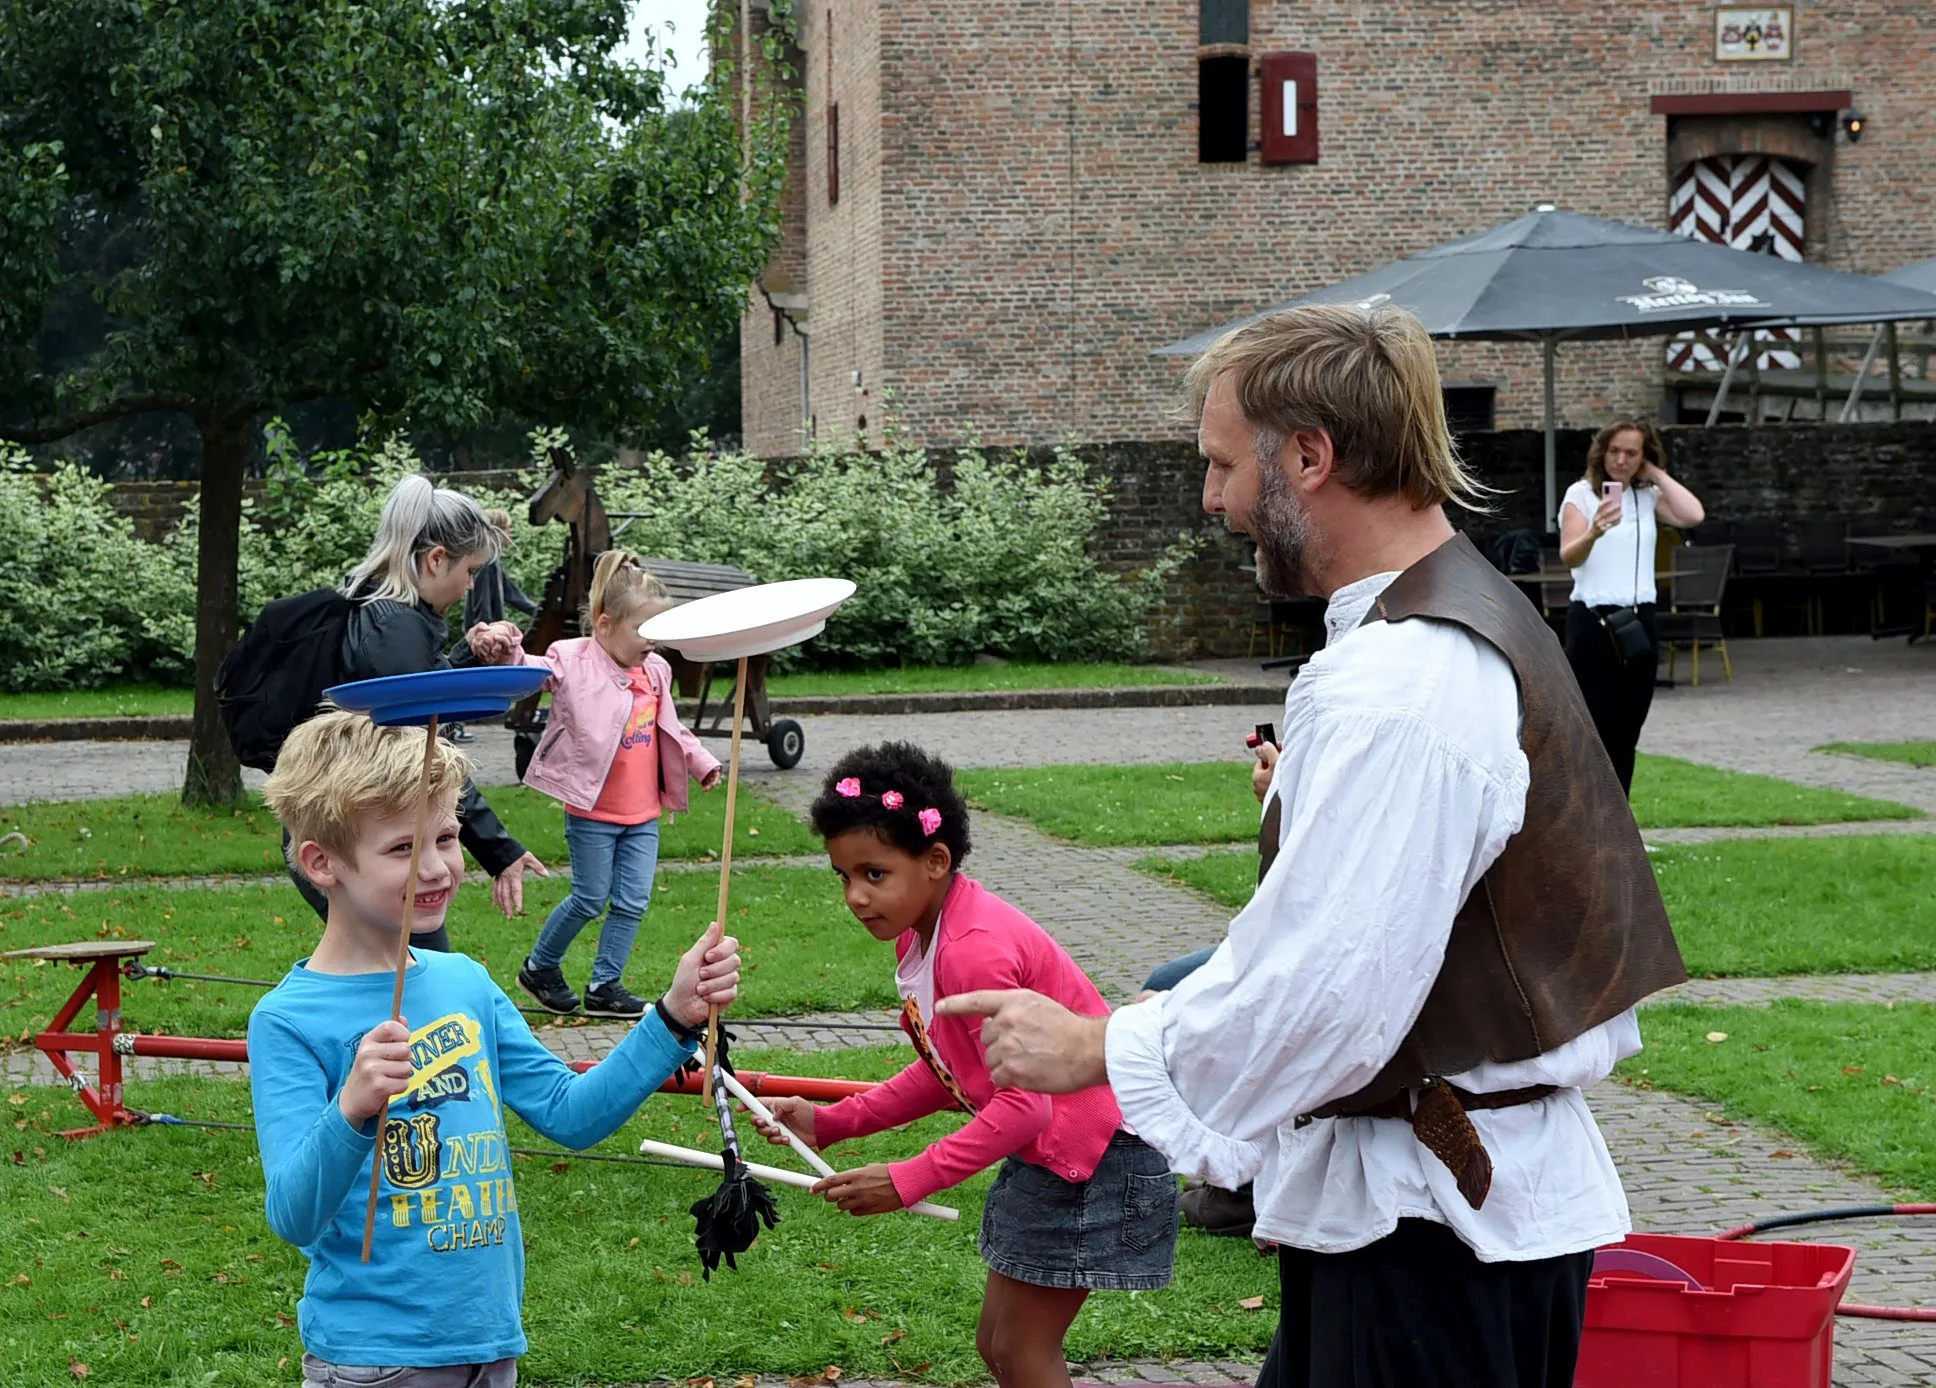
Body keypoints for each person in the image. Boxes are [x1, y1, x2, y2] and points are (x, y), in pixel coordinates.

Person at [938, 304, 1687, 1388]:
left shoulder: (1403, 679)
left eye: (1222, 464)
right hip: (1422, 1216)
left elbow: (1331, 986)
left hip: (1434, 1235)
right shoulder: (1432, 629)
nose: (1213, 499)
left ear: (1307, 456)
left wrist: (1097, 1048)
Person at [249, 709, 741, 1387]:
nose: (436, 867)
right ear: (321, 862)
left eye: (446, 837)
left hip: (489, 1345)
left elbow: (570, 1113)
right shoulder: (287, 1019)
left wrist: (673, 1015)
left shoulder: (465, 982)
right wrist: (351, 1110)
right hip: (374, 1359)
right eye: (402, 848)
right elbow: (294, 1215)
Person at [752, 742, 1176, 1388]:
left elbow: (1024, 1108)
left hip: (1101, 1152)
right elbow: (946, 1070)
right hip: (1059, 1151)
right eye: (843, 876)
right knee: (998, 1345)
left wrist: (908, 1178)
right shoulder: (920, 932)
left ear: (936, 860)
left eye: (874, 874)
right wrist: (832, 1122)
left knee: (1023, 1350)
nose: (855, 897)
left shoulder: (970, 949)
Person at [304, 474, 550, 946]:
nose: (470, 584)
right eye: (470, 570)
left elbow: (418, 699)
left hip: (363, 829)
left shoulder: (391, 612)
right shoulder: (396, 626)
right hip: (356, 836)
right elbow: (427, 756)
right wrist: (499, 850)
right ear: (436, 559)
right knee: (417, 960)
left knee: (397, 962)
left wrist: (467, 654)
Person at [492, 549, 723, 1020]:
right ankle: (540, 967)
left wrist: (701, 762)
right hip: (593, 811)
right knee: (590, 897)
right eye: (643, 630)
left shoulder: (656, 671)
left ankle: (605, 985)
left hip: (643, 814)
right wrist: (507, 649)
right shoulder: (573, 659)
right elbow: (529, 671)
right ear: (604, 624)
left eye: (657, 631)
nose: (651, 642)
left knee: (633, 901)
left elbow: (672, 729)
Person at [1557, 416, 1706, 794]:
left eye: (1631, 453)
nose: (1621, 460)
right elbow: (1570, 556)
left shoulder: (1647, 497)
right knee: (1595, 728)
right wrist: (1595, 532)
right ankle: (1590, 817)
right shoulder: (1580, 494)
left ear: (1643, 457)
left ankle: (1619, 817)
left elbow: (1693, 515)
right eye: (1614, 451)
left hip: (1639, 620)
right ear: (1602, 452)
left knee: (1628, 729)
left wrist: (1654, 474)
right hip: (1594, 620)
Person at [449, 509, 540, 744]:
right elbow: (482, 599)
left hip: (486, 628)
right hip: (485, 630)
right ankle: (454, 724)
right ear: (497, 531)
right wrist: (487, 630)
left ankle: (456, 724)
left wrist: (538, 612)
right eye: (508, 529)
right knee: (469, 680)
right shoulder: (487, 561)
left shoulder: (492, 560)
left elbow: (512, 593)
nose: (511, 534)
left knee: (471, 680)